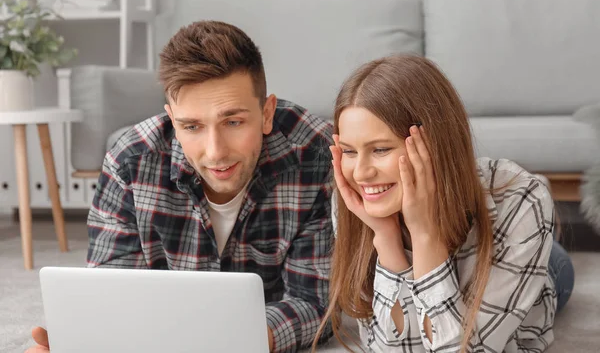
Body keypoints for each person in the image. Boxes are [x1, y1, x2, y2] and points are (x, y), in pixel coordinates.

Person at [27, 21, 334, 353]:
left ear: (267, 112)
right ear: (172, 120)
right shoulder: (129, 163)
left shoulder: (316, 154)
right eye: (192, 126)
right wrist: (90, 338)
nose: (215, 151)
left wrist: (231, 339)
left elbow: (317, 303)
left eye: (233, 122)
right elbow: (113, 295)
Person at [314, 55, 574, 352]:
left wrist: (424, 235)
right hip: (470, 237)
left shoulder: (521, 201)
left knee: (558, 262)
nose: (360, 173)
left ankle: (545, 229)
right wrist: (385, 239)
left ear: (435, 144)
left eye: (381, 149)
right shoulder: (356, 199)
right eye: (348, 151)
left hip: (508, 243)